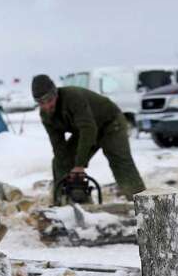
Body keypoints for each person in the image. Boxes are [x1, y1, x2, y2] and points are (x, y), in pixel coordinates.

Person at [32, 74, 145, 205]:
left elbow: (88, 130)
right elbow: (58, 146)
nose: (46, 106)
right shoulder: (46, 116)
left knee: (120, 162)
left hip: (110, 123)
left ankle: (142, 205)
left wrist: (79, 165)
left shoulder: (73, 97)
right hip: (86, 129)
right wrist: (67, 165)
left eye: (49, 100)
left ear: (56, 94)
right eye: (41, 102)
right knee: (60, 161)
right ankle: (66, 203)